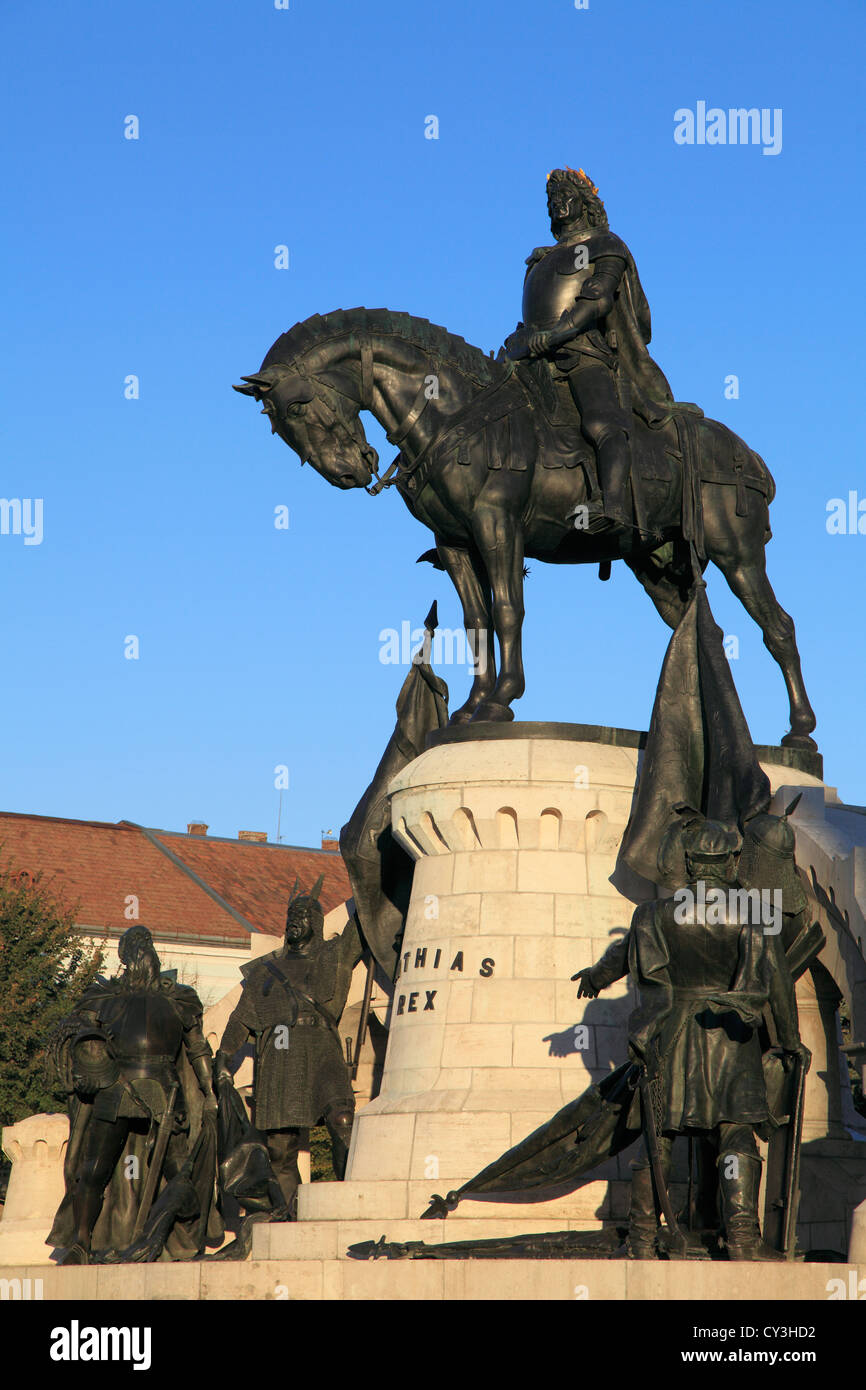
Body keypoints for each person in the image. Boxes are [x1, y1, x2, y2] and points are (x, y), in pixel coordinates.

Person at [574, 819, 809, 1259]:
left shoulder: (654, 915)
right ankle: (742, 1238)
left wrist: (594, 977)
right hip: (731, 1039)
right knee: (736, 1135)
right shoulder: (753, 912)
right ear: (730, 861)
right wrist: (790, 1040)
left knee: (658, 1136)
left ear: (688, 863)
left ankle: (642, 1239)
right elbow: (775, 980)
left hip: (670, 1035)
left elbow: (623, 954)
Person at [504, 166, 673, 534]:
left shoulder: (604, 245)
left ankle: (611, 505)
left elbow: (597, 300)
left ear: (586, 203)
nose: (558, 203)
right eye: (552, 199)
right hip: (533, 354)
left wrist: (556, 335)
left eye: (567, 197)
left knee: (601, 421)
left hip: (582, 352)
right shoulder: (540, 259)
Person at [48, 925, 220, 1264]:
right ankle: (81, 1241)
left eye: (144, 946)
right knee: (94, 1168)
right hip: (117, 1087)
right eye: (132, 948)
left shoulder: (179, 998)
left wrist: (210, 1089)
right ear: (125, 958)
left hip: (165, 1090)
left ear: (152, 953)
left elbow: (197, 1047)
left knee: (180, 1170)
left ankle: (186, 1240)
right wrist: (84, 1071)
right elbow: (81, 1039)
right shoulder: (106, 999)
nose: (140, 954)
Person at [215, 879, 361, 1216]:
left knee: (342, 1118)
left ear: (317, 922)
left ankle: (348, 1203)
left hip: (321, 1049)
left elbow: (360, 926)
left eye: (303, 914)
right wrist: (223, 1057)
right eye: (290, 914)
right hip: (279, 1059)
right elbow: (241, 1018)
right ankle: (293, 1216)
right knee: (280, 1150)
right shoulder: (264, 971)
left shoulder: (332, 955)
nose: (293, 920)